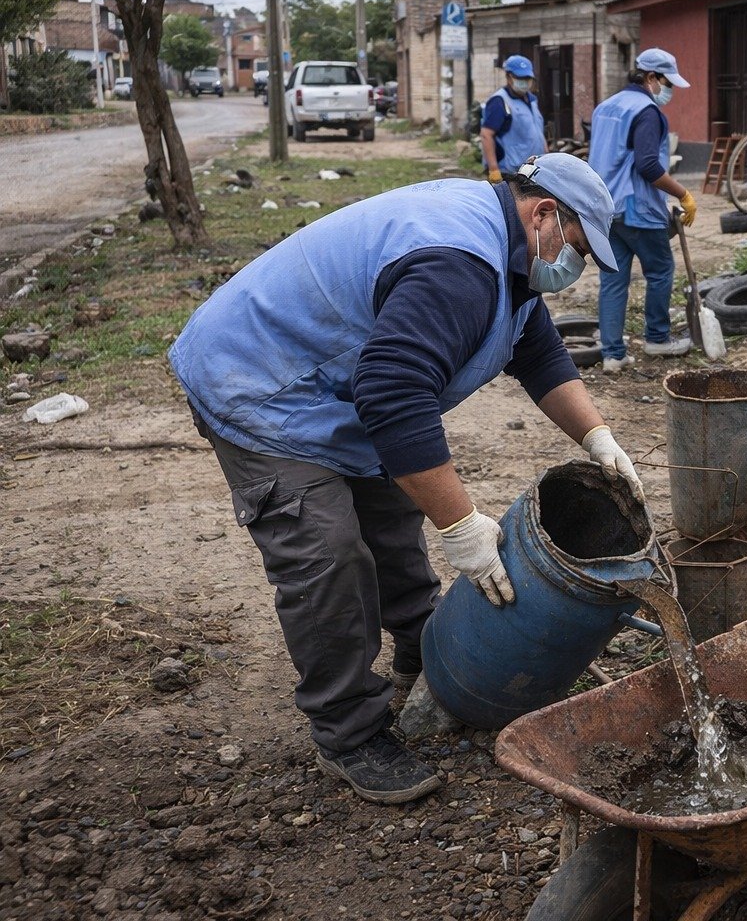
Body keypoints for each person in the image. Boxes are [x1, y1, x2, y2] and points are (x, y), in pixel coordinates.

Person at [168, 153, 644, 805]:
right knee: (327, 552)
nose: (577, 271)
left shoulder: (507, 253)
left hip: (333, 393)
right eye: (580, 251)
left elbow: (536, 348)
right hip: (259, 384)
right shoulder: (461, 266)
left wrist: (597, 436)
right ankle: (349, 733)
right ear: (544, 214)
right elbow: (392, 393)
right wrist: (461, 525)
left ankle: (429, 652)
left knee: (393, 517)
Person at [589, 47, 699, 372]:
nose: (670, 92)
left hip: (606, 208)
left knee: (613, 279)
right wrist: (684, 195)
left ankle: (612, 354)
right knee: (661, 269)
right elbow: (649, 165)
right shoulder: (647, 112)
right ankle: (657, 338)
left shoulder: (606, 107)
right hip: (638, 207)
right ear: (651, 77)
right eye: (668, 83)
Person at [480, 55, 546, 183]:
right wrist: (494, 170)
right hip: (511, 173)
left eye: (527, 78)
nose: (525, 81)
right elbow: (486, 135)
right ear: (509, 77)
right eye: (520, 78)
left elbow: (538, 131)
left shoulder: (532, 100)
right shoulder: (499, 101)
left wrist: (546, 154)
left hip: (533, 171)